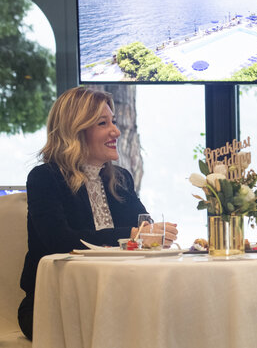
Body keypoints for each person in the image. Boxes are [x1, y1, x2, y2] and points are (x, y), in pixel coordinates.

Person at [17, 87, 178, 340]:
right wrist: (134, 235)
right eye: (103, 123)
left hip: (121, 297)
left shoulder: (121, 178)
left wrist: (157, 235)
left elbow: (143, 229)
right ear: (76, 131)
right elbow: (59, 240)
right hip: (54, 303)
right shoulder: (44, 178)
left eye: (113, 121)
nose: (116, 130)